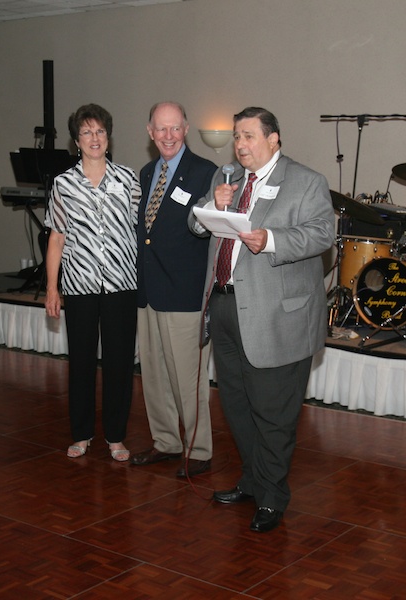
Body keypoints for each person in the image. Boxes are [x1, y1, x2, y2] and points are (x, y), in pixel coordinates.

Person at [189, 107, 336, 533]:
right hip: (224, 306)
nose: (240, 145)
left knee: (273, 411)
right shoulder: (226, 178)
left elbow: (322, 234)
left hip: (277, 316)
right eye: (237, 137)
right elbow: (195, 225)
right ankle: (253, 481)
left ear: (274, 140)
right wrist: (207, 206)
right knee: (236, 405)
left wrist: (271, 239)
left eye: (249, 136)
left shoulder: (306, 182)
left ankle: (273, 497)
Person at [44, 103, 141, 462]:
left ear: (108, 136)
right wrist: (52, 288)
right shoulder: (63, 184)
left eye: (99, 131)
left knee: (118, 364)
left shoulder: (128, 180)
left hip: (121, 285)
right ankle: (81, 434)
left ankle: (116, 437)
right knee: (81, 362)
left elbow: (138, 230)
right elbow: (56, 237)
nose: (94, 138)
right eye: (86, 132)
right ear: (76, 140)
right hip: (79, 286)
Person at [131, 101, 217, 477]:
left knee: (188, 379)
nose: (168, 136)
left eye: (175, 128)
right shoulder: (147, 172)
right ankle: (166, 442)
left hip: (185, 294)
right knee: (154, 375)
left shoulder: (205, 173)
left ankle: (199, 451)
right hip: (148, 290)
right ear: (150, 133)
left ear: (185, 130)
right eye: (160, 129)